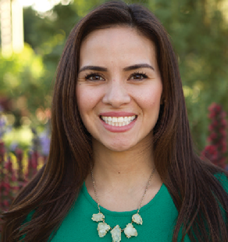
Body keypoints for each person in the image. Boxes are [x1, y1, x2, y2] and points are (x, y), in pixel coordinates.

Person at [1, 1, 228, 241]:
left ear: (166, 89)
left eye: (138, 76)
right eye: (95, 76)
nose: (116, 98)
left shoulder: (219, 202)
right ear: (70, 90)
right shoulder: (32, 216)